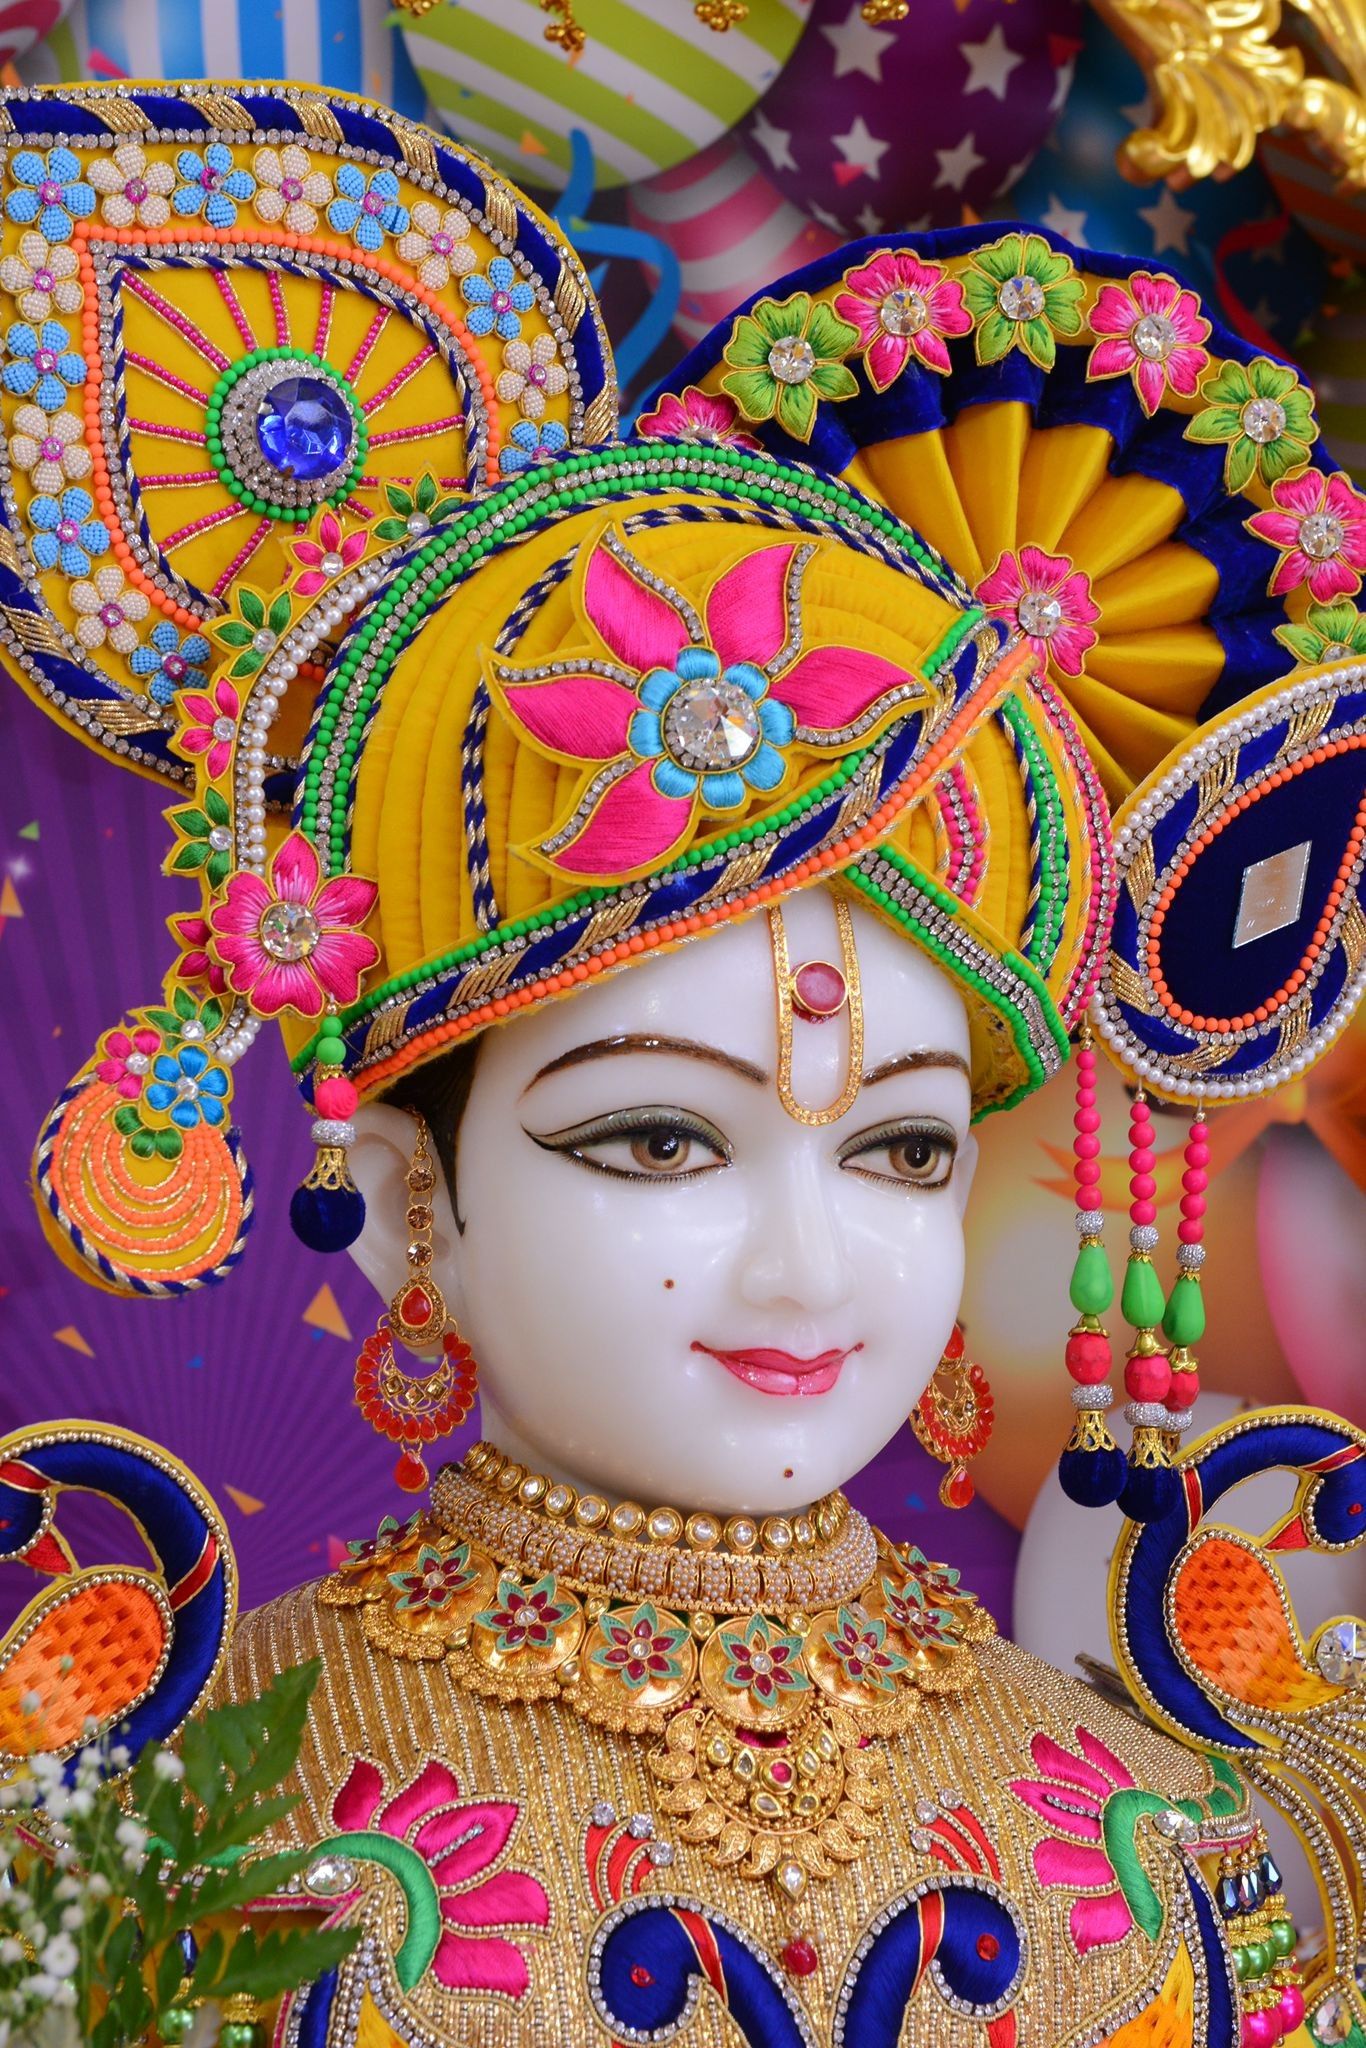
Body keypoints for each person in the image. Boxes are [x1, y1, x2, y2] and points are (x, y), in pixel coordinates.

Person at [3, 78, 1363, 2047]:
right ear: (405, 1208)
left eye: (898, 1152)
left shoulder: (1153, 1853)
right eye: (656, 1138)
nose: (807, 1271)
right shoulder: (190, 1836)